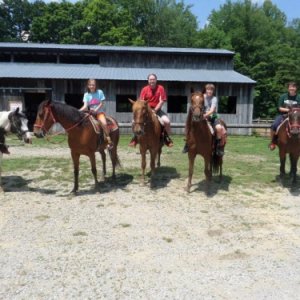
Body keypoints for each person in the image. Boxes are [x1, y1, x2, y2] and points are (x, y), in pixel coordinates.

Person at [129, 73, 173, 147]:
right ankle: (135, 138)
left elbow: (162, 100)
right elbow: (141, 101)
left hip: (157, 110)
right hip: (146, 110)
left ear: (156, 80)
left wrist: (155, 110)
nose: (152, 81)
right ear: (148, 81)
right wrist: (146, 110)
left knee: (167, 121)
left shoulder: (160, 88)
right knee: (134, 122)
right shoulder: (144, 89)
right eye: (150, 79)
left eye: (153, 79)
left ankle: (166, 138)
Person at [182, 83, 226, 156]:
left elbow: (212, 110)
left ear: (213, 91)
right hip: (202, 115)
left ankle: (218, 146)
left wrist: (205, 115)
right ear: (205, 90)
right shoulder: (202, 96)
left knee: (218, 128)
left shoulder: (214, 98)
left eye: (211, 90)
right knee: (190, 125)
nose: (209, 91)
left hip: (212, 116)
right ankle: (187, 143)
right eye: (208, 89)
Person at [79, 79, 113, 149]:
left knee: (104, 123)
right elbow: (85, 106)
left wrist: (95, 110)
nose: (92, 86)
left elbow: (101, 103)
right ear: (88, 86)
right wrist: (78, 111)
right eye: (90, 85)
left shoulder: (99, 92)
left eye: (93, 85)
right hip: (90, 113)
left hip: (99, 112)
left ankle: (108, 140)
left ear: (95, 85)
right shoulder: (86, 95)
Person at [269, 81, 300, 150]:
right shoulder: (283, 96)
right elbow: (280, 108)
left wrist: (294, 112)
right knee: (274, 125)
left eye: (293, 87)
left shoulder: (299, 97)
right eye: (290, 87)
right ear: (288, 88)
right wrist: (289, 110)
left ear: (296, 88)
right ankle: (273, 142)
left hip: (296, 116)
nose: (292, 88)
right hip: (284, 115)